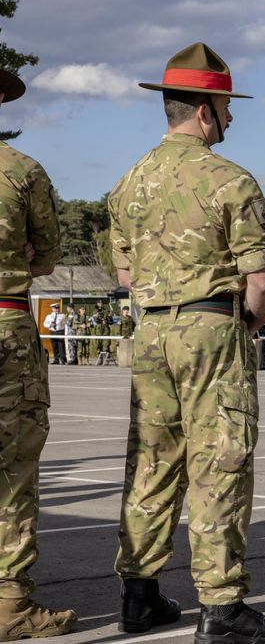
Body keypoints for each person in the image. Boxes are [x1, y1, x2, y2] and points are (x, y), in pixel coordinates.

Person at [108, 42, 265, 642]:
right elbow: (260, 281)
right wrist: (246, 326)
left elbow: (127, 276)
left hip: (153, 328)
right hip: (212, 327)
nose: (232, 118)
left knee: (152, 462)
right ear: (205, 110)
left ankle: (139, 594)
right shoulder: (231, 181)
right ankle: (221, 609)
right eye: (227, 107)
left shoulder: (128, 182)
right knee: (221, 463)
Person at [0, 66, 77, 641]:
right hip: (6, 326)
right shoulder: (22, 172)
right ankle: (9, 605)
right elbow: (47, 259)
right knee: (13, 469)